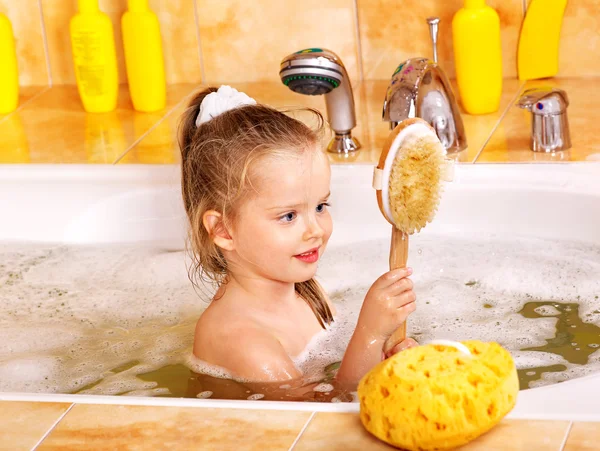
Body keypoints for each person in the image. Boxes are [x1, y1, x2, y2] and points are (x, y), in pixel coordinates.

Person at [179, 85, 417, 391]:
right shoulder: (244, 342)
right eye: (288, 216)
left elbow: (341, 376)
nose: (315, 230)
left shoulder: (307, 291)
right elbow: (322, 417)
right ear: (223, 230)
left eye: (320, 207)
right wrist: (370, 332)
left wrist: (383, 354)